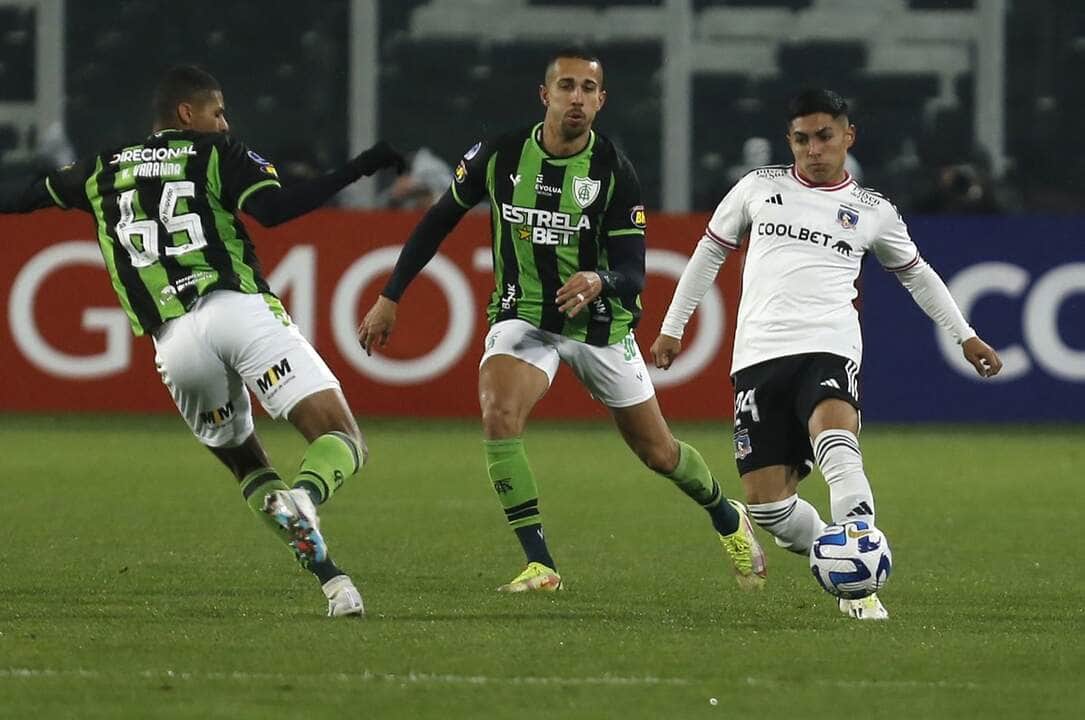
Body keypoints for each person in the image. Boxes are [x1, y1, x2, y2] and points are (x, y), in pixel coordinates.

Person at [0, 65, 405, 617]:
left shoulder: (101, 169)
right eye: (218, 112)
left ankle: (335, 584)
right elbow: (276, 209)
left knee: (247, 465)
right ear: (188, 115)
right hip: (236, 309)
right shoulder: (218, 153)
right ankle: (307, 497)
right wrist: (360, 168)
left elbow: (22, 197)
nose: (225, 122)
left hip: (175, 345)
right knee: (344, 440)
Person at [357, 48, 765, 593]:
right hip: (523, 315)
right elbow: (438, 221)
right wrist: (391, 295)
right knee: (499, 413)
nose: (577, 97)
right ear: (544, 95)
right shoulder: (499, 155)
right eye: (567, 86)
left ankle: (725, 516)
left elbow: (633, 271)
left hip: (600, 326)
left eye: (588, 89)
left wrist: (599, 280)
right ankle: (540, 564)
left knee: (660, 453)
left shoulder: (614, 171)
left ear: (601, 101)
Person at [650, 89, 1004, 620]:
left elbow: (918, 275)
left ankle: (860, 587)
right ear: (789, 141)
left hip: (829, 344)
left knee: (837, 440)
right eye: (801, 139)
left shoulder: (872, 211)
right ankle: (841, 565)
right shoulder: (757, 187)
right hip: (758, 355)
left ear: (847, 136)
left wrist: (965, 334)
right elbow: (708, 251)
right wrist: (674, 326)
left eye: (824, 136)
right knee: (769, 507)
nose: (813, 149)